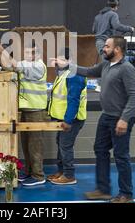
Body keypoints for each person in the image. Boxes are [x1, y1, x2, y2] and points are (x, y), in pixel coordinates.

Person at [52, 36, 135, 203]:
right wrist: (68, 66)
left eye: (107, 46)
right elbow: (89, 72)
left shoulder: (127, 69)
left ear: (117, 49)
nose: (103, 49)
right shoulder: (107, 64)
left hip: (120, 119)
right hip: (106, 116)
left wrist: (124, 119)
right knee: (100, 150)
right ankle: (103, 190)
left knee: (121, 156)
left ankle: (126, 194)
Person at [0, 42, 48, 186]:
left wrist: (2, 49)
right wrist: (2, 53)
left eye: (32, 53)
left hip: (36, 110)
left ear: (38, 54)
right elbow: (8, 66)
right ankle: (28, 171)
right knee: (26, 144)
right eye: (27, 53)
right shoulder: (25, 63)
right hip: (26, 109)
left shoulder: (38, 66)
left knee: (35, 145)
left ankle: (38, 176)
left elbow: (16, 66)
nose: (29, 55)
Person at [48, 48, 87, 185]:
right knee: (61, 144)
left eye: (62, 59)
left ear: (70, 61)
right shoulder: (64, 73)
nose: (59, 62)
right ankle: (62, 171)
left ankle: (69, 175)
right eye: (58, 59)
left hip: (72, 120)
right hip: (63, 119)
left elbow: (73, 100)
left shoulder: (74, 75)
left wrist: (68, 120)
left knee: (65, 146)